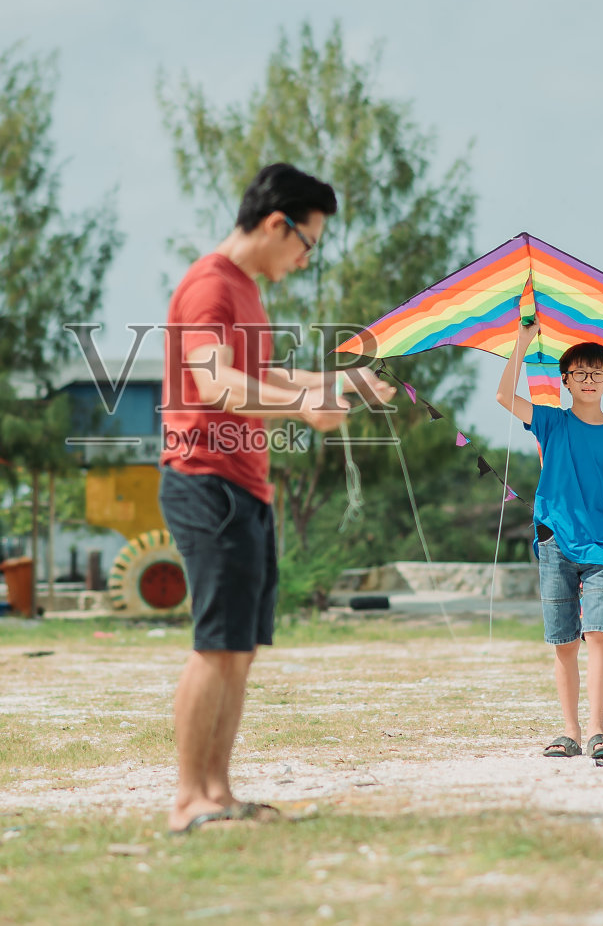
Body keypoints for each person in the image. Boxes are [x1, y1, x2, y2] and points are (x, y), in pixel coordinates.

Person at [159, 162, 396, 834]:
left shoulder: (247, 292)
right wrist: (305, 402)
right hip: (206, 482)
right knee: (215, 644)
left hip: (244, 485)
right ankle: (188, 801)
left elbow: (259, 374)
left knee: (240, 647)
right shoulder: (210, 285)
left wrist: (340, 381)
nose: (305, 258)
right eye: (307, 243)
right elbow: (216, 386)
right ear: (275, 223)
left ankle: (219, 792)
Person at [495, 323, 603, 763]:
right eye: (579, 373)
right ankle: (570, 732)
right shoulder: (552, 421)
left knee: (599, 635)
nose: (589, 380)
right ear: (566, 381)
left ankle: (597, 730)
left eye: (597, 373)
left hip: (602, 549)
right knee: (564, 643)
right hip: (555, 543)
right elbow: (504, 397)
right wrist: (521, 343)